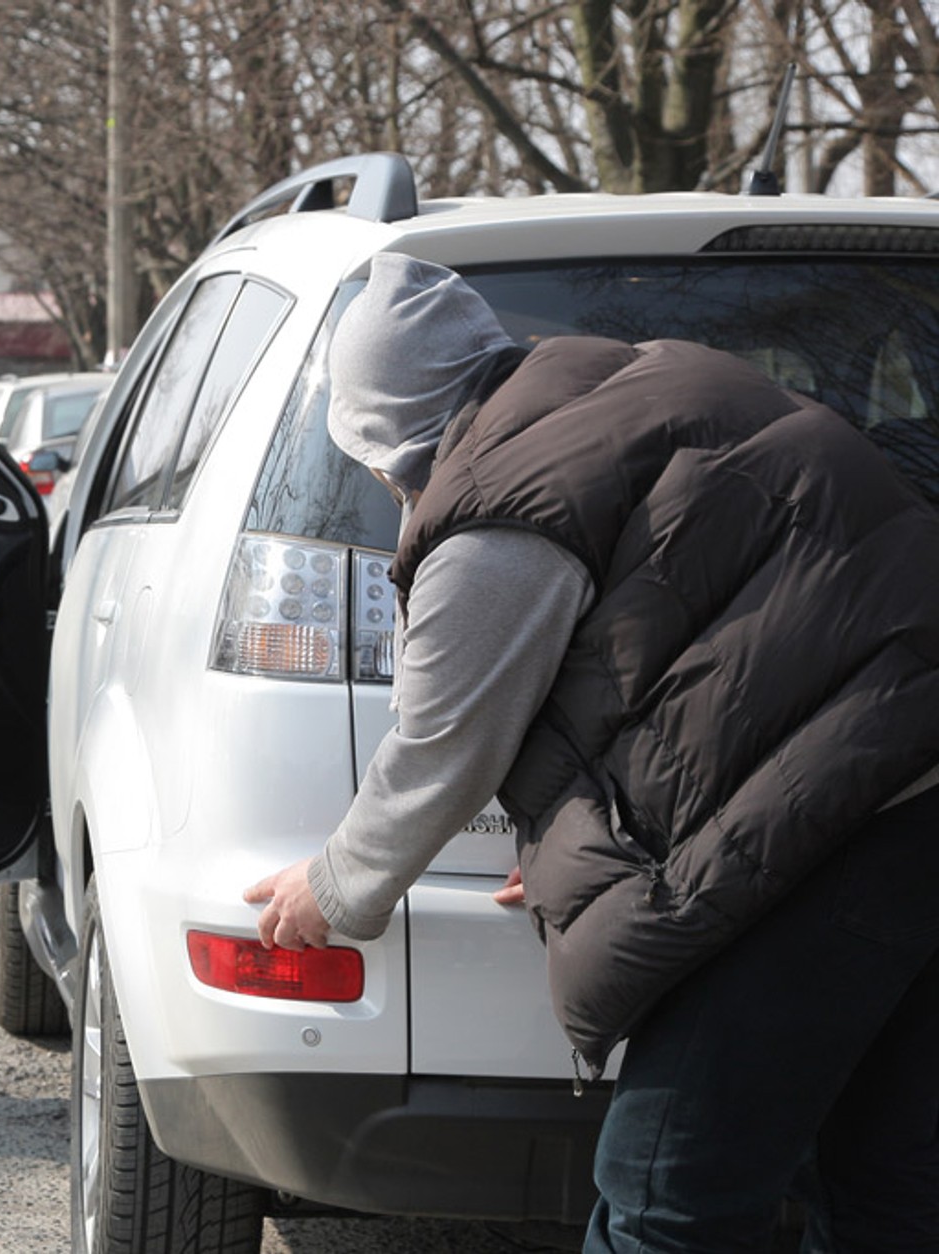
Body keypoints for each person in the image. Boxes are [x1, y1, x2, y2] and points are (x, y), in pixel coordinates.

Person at [242, 254, 939, 1251]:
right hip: (909, 788)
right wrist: (602, 839)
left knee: (664, 1196)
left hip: (826, 826)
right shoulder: (657, 377)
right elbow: (699, 645)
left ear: (385, 444)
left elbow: (444, 742)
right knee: (882, 1173)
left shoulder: (492, 511)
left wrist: (336, 886)